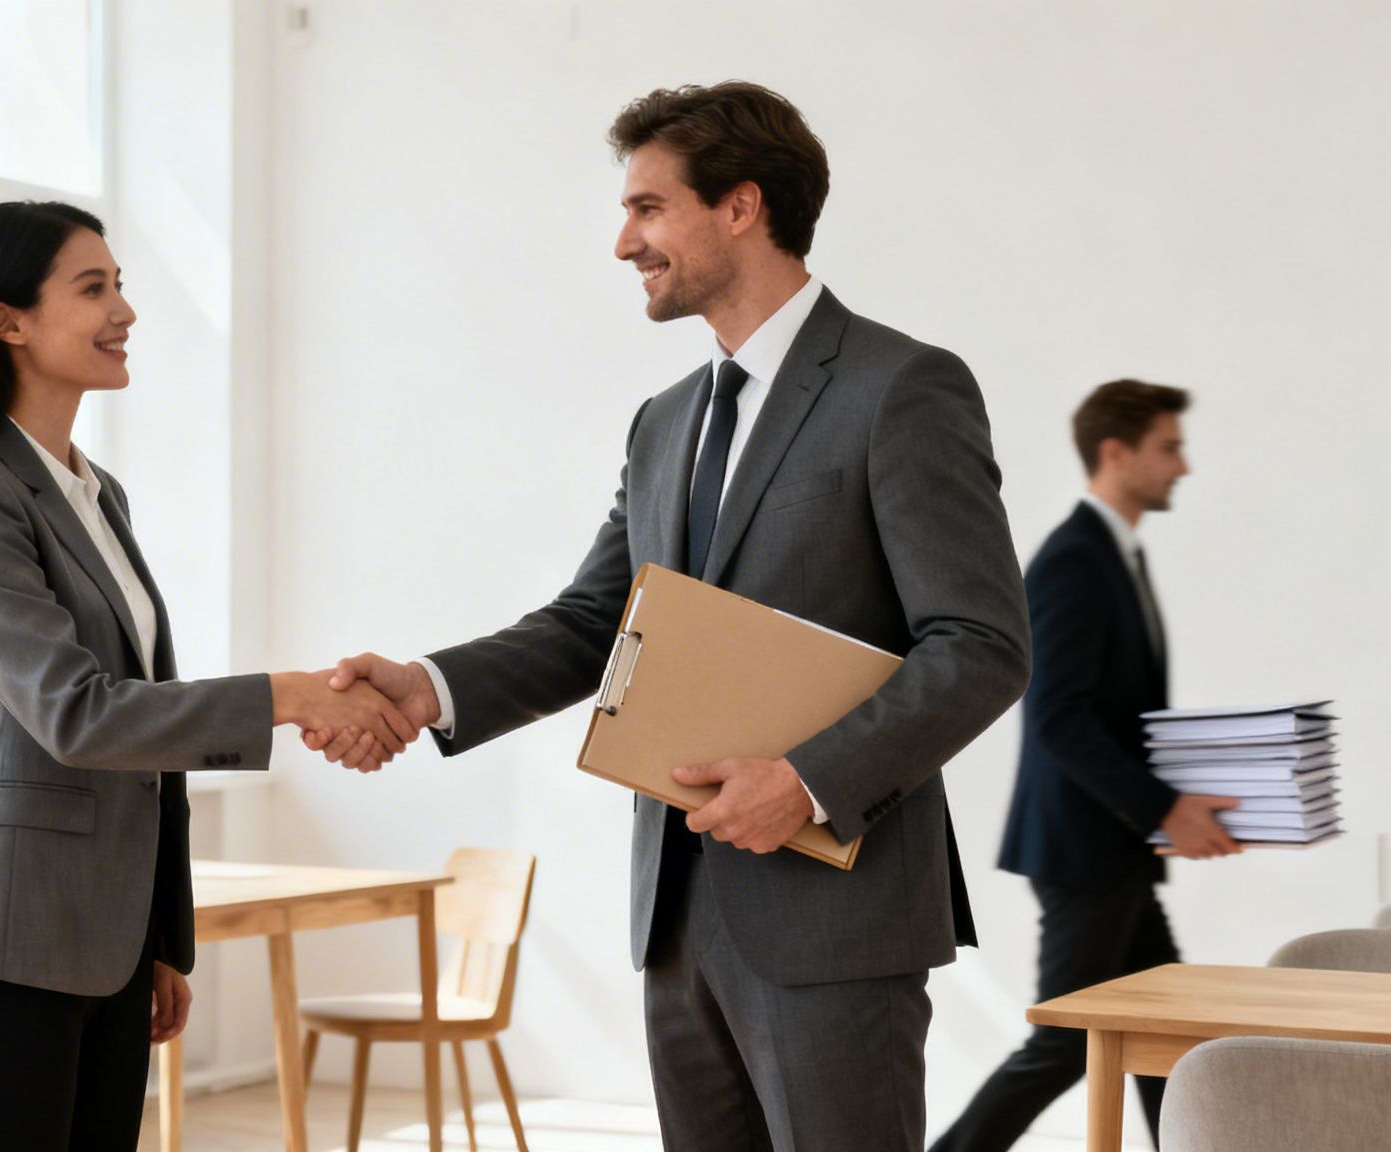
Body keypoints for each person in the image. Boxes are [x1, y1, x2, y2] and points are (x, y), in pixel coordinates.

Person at [312, 82, 1029, 1151]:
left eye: (647, 208)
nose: (621, 242)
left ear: (740, 206)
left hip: (836, 926)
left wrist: (804, 782)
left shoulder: (899, 388)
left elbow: (977, 648)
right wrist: (427, 689)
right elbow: (597, 622)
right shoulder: (664, 423)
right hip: (678, 920)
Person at [0, 200, 417, 1152]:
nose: (124, 309)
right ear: (8, 321)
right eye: (94, 288)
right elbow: (76, 715)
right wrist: (287, 697)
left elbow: (143, 747)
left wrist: (158, 939)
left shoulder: (95, 492)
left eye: (120, 284)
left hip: (108, 951)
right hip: (0, 950)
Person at [931, 380, 1238, 1152]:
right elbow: (1059, 716)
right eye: (1169, 447)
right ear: (1116, 451)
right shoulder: (1074, 559)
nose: (1183, 466)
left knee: (1165, 1034)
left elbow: (1112, 716)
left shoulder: (1110, 554)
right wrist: (1164, 808)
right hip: (1084, 850)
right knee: (1070, 1040)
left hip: (1113, 849)